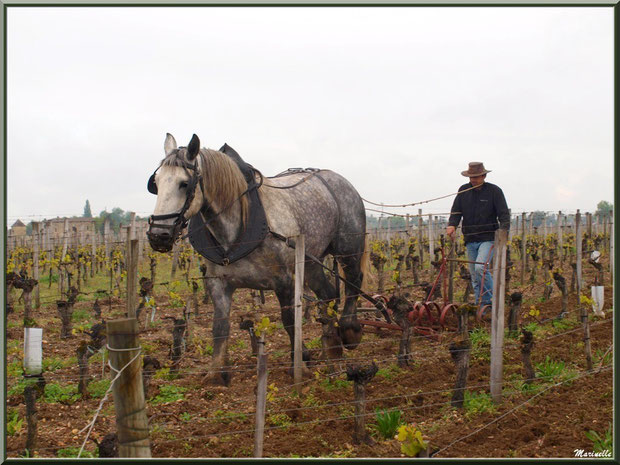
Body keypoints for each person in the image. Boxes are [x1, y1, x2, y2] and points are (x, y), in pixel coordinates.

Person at [446, 162, 510, 308]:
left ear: (484, 176)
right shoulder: (463, 191)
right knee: (475, 275)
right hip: (470, 238)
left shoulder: (494, 191)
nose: (473, 180)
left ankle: (490, 302)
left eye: (476, 177)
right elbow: (456, 211)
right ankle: (479, 304)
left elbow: (504, 214)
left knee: (480, 268)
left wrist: (503, 232)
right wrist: (452, 225)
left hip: (488, 238)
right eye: (471, 177)